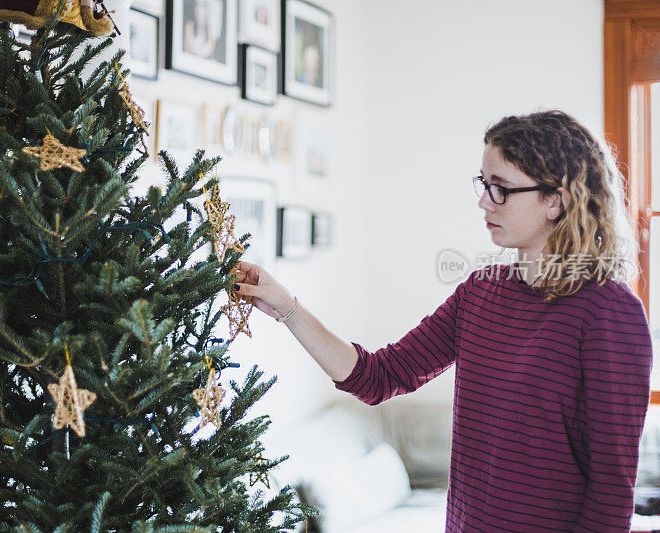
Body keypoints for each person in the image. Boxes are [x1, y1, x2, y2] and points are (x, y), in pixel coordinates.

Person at [232, 110, 654, 532]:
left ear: (555, 200)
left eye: (501, 189)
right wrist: (286, 307)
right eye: (484, 184)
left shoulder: (609, 314)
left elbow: (610, 497)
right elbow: (377, 377)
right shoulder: (480, 292)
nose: (483, 201)